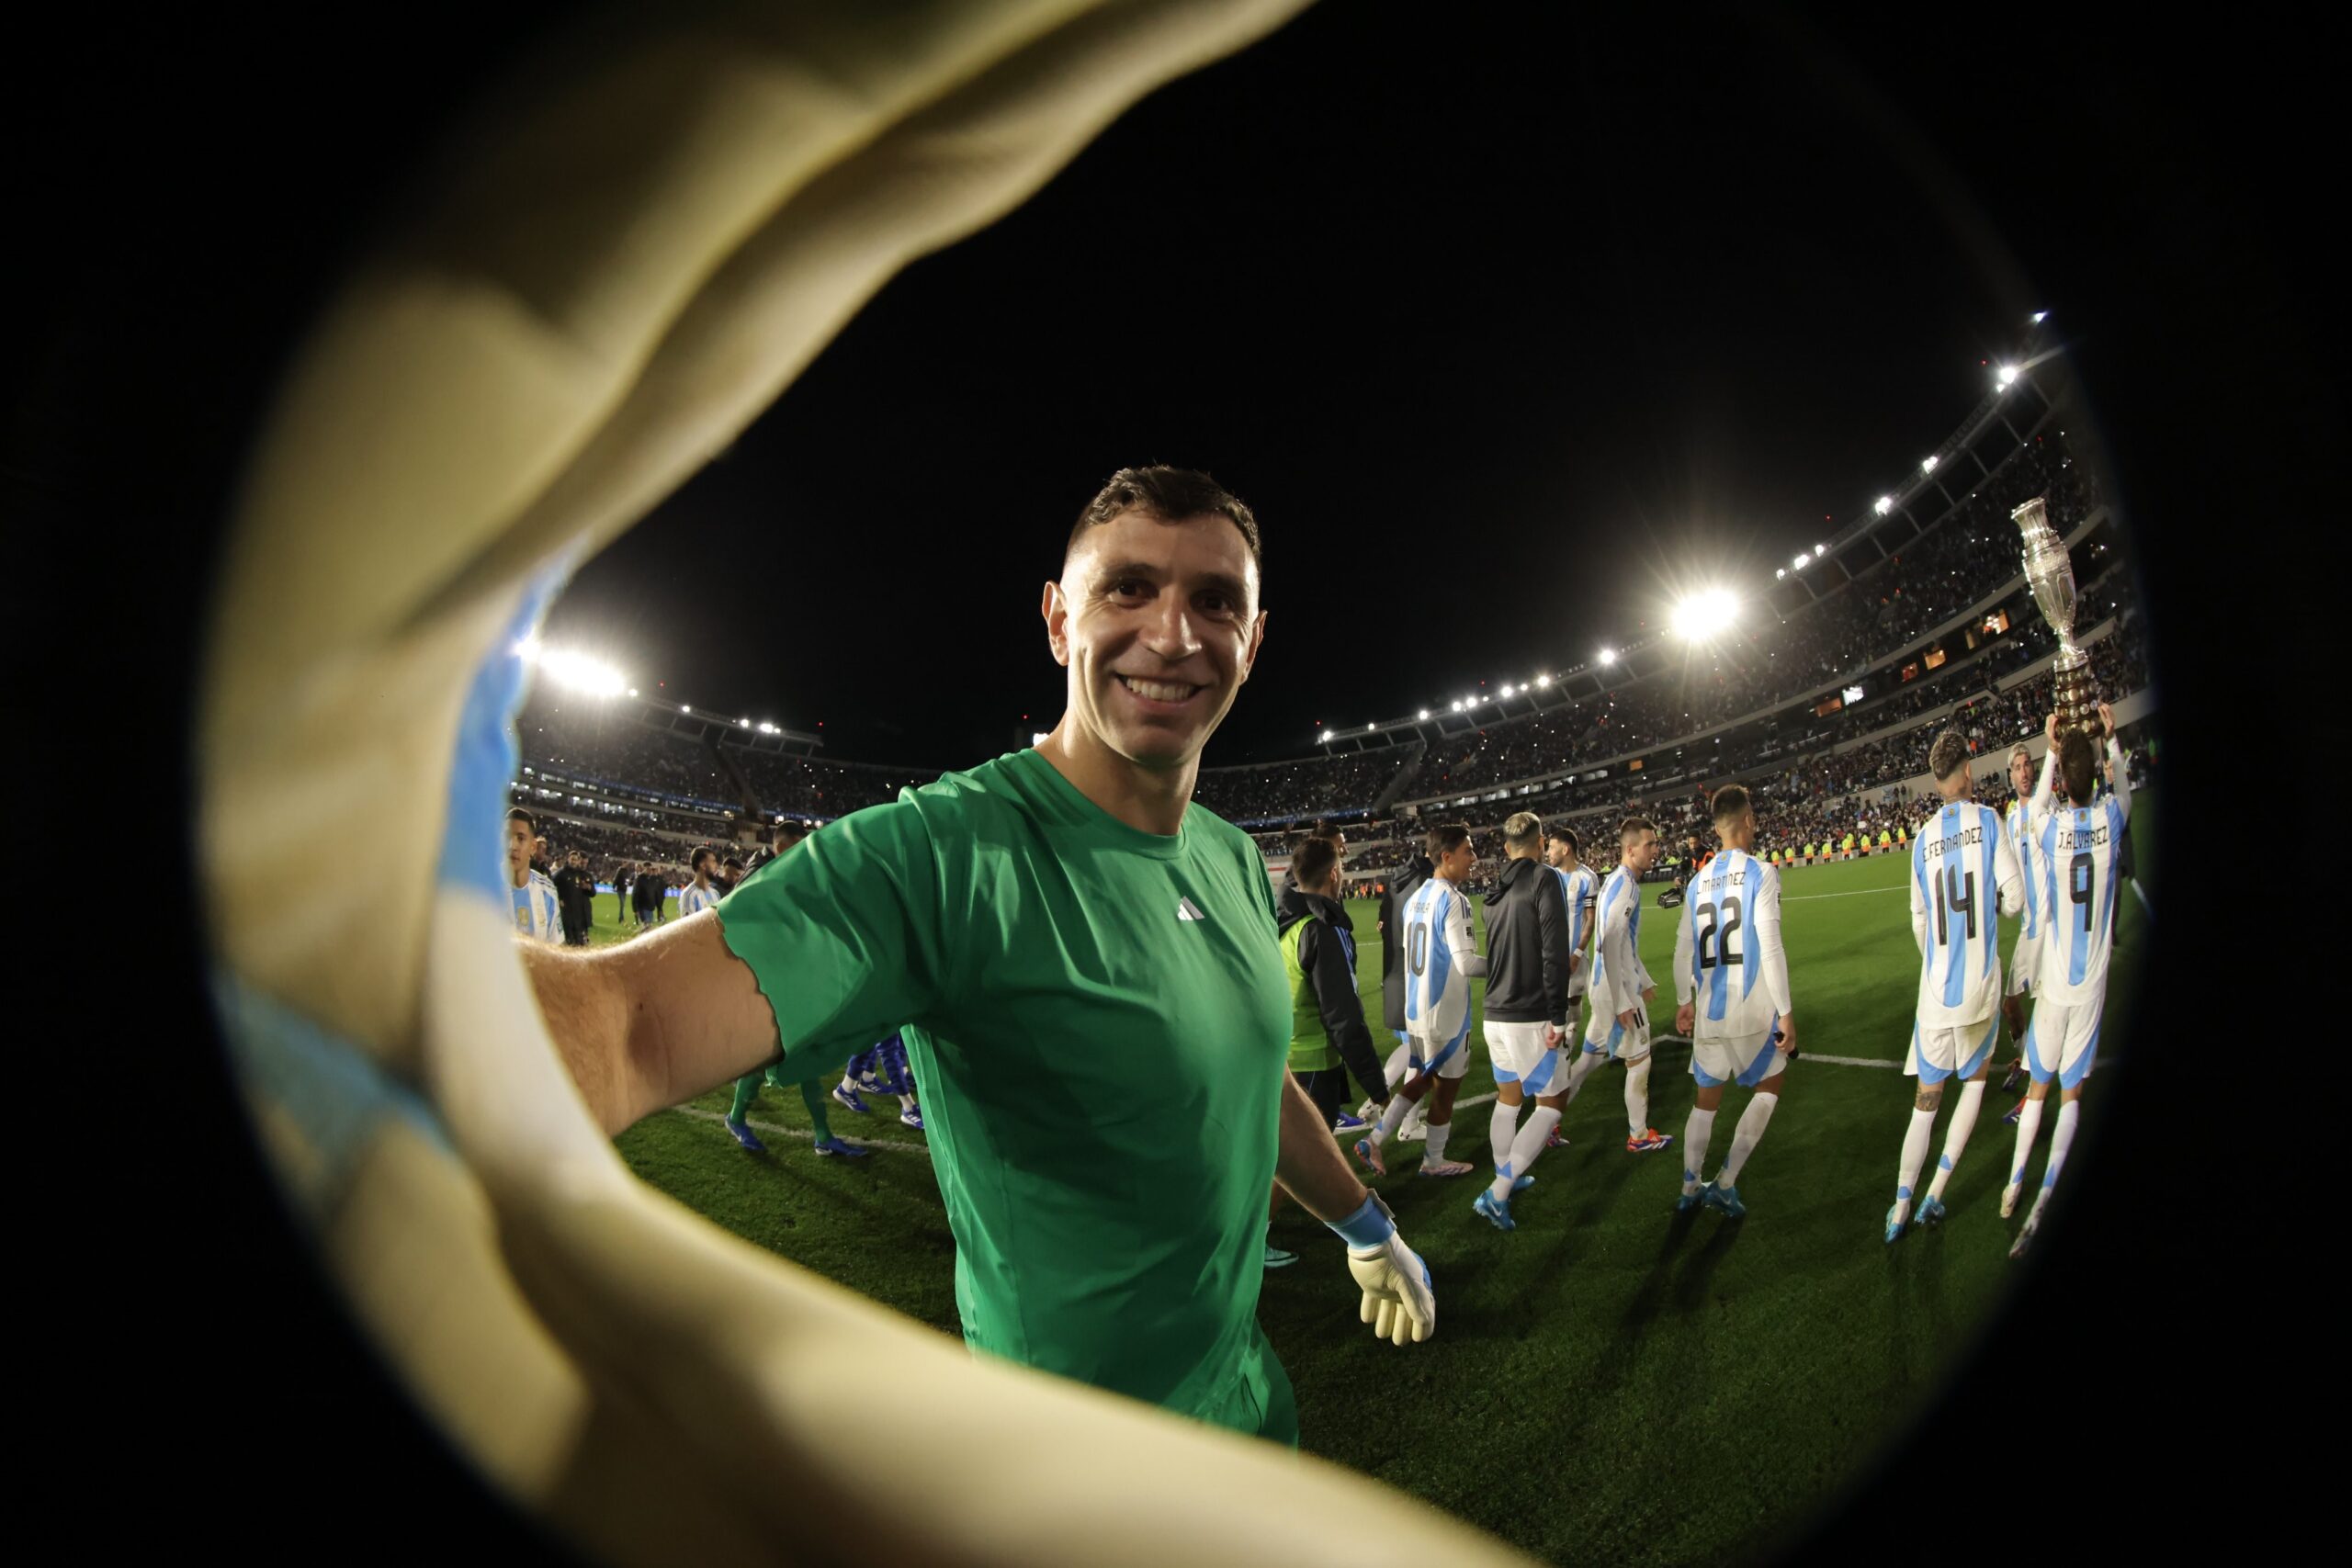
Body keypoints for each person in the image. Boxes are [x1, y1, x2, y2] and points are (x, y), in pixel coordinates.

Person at [518, 466, 1436, 1450]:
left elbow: (1250, 1070)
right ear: (1056, 620)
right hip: (1066, 1484)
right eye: (1127, 587)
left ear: (1250, 644)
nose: (1171, 634)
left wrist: (1364, 1225)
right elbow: (628, 1026)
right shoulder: (940, 854)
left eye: (1213, 602)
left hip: (1250, 1412)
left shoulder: (1224, 855)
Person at [1884, 731, 2024, 1244]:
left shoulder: (1922, 839)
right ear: (1967, 772)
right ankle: (1935, 1196)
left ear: (1934, 779)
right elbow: (2014, 900)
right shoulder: (1989, 821)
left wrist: (1940, 957)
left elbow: (1919, 921)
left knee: (1926, 1099)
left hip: (1936, 991)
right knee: (1973, 1083)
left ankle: (1899, 1206)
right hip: (1981, 988)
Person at [2003, 704, 2131, 1258]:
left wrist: (2052, 748)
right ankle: (2046, 1195)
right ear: (2095, 773)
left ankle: (2013, 1181)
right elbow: (2118, 786)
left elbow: (2034, 808)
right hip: (2090, 985)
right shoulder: (2113, 819)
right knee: (2071, 1094)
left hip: (2052, 984)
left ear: (2062, 777)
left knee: (2038, 1088)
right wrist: (2111, 741)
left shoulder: (2048, 828)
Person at [700, 840, 870, 1161]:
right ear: (781, 845)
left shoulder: (776, 869)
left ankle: (821, 1135)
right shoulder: (759, 872)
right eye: (795, 847)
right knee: (771, 1054)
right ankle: (739, 1119)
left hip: (786, 977)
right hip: (768, 980)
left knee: (799, 1054)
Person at [1670, 786, 1796, 1218]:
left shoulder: (1697, 880)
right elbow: (1772, 945)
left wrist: (1683, 1001)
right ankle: (1724, 1183)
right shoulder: (1761, 871)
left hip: (1708, 1011)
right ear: (1747, 820)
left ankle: (1689, 1187)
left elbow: (1682, 950)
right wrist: (1786, 1011)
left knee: (1705, 1102)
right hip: (1752, 1010)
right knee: (1769, 1086)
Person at [1270, 834, 1392, 1265]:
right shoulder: (1321, 930)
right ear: (1335, 873)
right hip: (1312, 1062)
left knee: (1275, 1149)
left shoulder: (1284, 920)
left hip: (1283, 1055)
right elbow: (1344, 1015)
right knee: (1295, 1156)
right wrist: (1375, 1085)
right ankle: (1254, 1238)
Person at [1357, 824, 1484, 1178]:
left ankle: (1375, 1139)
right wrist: (1510, 966)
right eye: (1467, 851)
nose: (1473, 859)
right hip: (1446, 1014)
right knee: (1445, 1090)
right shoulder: (1454, 900)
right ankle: (1434, 1161)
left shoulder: (1417, 897)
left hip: (1417, 1010)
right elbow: (1468, 964)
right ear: (1446, 857)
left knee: (1424, 1079)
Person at [1472, 812, 1572, 1232]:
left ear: (1506, 846)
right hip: (1528, 1014)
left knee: (1509, 1099)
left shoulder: (1494, 889)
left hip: (1494, 1013)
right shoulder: (1544, 879)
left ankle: (1504, 1174)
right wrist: (1559, 1017)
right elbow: (1554, 952)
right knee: (1553, 1104)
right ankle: (1498, 1192)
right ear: (1540, 841)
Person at [1564, 818, 1673, 1154]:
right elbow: (1610, 941)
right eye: (1649, 845)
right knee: (1639, 1059)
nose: (1656, 851)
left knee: (1588, 1060)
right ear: (1630, 849)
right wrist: (1624, 999)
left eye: (1656, 844)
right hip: (1616, 990)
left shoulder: (1616, 880)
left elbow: (1623, 944)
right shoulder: (1625, 885)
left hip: (1606, 986)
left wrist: (1644, 979)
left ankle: (1548, 1119)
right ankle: (1638, 1135)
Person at [1367, 834, 1435, 1135]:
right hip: (1415, 976)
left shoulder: (1398, 878)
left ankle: (1374, 1099)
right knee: (1421, 1053)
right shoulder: (1425, 883)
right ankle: (1407, 1124)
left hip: (1395, 972)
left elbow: (1383, 922)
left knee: (1410, 1047)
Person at [1542, 824, 1600, 1148]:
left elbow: (1590, 919)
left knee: (1571, 1013)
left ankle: (1560, 1060)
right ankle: (1551, 1079)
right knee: (1555, 1018)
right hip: (1549, 962)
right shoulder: (1547, 876)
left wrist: (1578, 952)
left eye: (1551, 846)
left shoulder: (1587, 878)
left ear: (1566, 848)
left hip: (1573, 961)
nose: (1548, 851)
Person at [504, 807, 565, 944]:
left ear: (532, 847)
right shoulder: (482, 888)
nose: (512, 845)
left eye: (520, 838)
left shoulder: (547, 893)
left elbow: (556, 951)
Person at [552, 849, 596, 948]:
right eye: (572, 859)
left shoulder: (582, 875)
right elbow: (551, 884)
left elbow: (593, 893)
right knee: (570, 942)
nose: (574, 862)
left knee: (581, 943)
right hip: (568, 914)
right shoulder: (563, 872)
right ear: (568, 859)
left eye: (576, 860)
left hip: (582, 915)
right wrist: (558, 899)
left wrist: (588, 887)